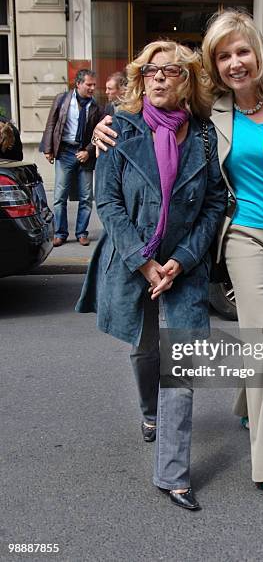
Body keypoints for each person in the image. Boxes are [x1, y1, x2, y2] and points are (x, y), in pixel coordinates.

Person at [90, 10, 263, 502]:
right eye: (223, 56)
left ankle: (247, 402)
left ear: (257, 53)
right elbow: (145, 119)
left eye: (241, 51)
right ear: (213, 65)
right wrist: (105, 126)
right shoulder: (211, 115)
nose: (235, 63)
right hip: (241, 236)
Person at [76, 41, 227, 511]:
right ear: (142, 80)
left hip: (185, 264)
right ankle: (149, 413)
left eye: (173, 71)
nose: (161, 78)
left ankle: (173, 475)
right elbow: (109, 202)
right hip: (135, 262)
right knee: (145, 349)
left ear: (188, 82)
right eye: (152, 71)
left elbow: (215, 202)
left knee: (180, 364)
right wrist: (143, 260)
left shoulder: (203, 136)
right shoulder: (120, 129)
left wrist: (182, 257)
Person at [41, 69, 103, 247]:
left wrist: (89, 151)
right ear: (78, 84)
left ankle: (82, 233)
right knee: (60, 196)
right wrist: (48, 149)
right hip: (65, 152)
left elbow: (97, 134)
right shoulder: (62, 100)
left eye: (93, 85)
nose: (92, 88)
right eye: (88, 84)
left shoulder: (96, 106)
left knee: (86, 197)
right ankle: (60, 233)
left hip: (84, 154)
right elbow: (51, 123)